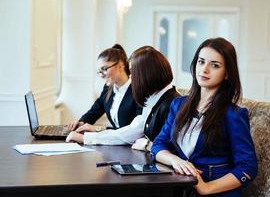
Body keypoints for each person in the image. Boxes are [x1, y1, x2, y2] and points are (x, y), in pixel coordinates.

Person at [151, 38, 258, 196]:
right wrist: (176, 161)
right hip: (182, 188)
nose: (204, 69)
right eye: (201, 62)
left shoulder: (233, 115)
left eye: (215, 65)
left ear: (227, 73)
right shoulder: (178, 105)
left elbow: (247, 166)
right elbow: (158, 144)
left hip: (217, 192)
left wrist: (207, 188)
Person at [66, 46, 180, 147]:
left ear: (146, 74)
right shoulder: (154, 99)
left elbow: (133, 133)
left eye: (133, 73)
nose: (133, 78)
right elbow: (134, 129)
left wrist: (88, 137)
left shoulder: (171, 104)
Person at [67, 44, 141, 132]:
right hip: (115, 142)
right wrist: (81, 123)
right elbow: (96, 109)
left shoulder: (138, 91)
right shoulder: (108, 88)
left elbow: (133, 131)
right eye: (99, 71)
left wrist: (98, 129)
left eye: (105, 69)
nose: (101, 75)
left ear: (121, 65)